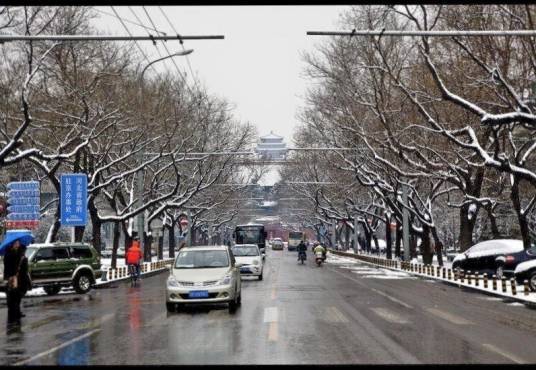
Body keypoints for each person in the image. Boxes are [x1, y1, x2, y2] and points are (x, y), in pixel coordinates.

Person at [4, 240, 31, 322]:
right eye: (15, 243)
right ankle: (12, 315)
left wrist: (23, 258)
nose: (17, 245)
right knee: (11, 297)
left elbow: (25, 268)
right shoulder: (9, 254)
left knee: (18, 296)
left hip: (21, 278)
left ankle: (17, 313)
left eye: (18, 243)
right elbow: (8, 267)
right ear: (12, 244)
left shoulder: (21, 254)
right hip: (12, 278)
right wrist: (9, 277)